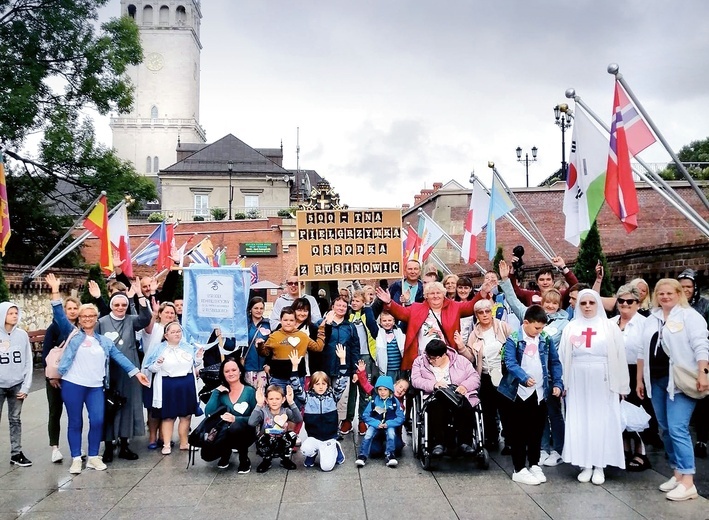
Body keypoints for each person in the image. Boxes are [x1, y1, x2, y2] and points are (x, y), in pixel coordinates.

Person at [48, 286, 149, 474]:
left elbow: (120, 357)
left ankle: (94, 456)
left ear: (96, 319)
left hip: (95, 387)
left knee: (97, 421)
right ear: (79, 318)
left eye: (91, 316)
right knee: (75, 422)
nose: (87, 319)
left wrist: (136, 372)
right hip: (73, 384)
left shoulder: (104, 341)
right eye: (84, 316)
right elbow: (60, 316)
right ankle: (76, 458)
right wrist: (55, 292)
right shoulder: (73, 334)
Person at [638, 278, 709, 501]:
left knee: (678, 427)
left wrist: (703, 373)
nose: (665, 297)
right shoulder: (652, 319)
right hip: (657, 380)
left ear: (679, 294)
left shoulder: (690, 317)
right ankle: (677, 473)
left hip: (680, 380)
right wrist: (640, 380)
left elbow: (701, 345)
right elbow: (642, 351)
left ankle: (688, 481)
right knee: (665, 428)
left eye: (670, 293)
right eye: (661, 294)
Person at [499, 259, 569, 465]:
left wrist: (558, 383)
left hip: (544, 382)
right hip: (523, 386)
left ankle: (556, 451)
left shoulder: (562, 325)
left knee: (551, 415)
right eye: (546, 303)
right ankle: (539, 451)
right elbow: (513, 300)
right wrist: (505, 280)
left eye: (554, 303)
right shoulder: (523, 325)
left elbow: (555, 361)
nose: (550, 306)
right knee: (530, 423)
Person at [559, 289, 629, 486]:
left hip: (603, 377)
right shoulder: (571, 328)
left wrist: (622, 385)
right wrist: (562, 382)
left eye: (591, 302)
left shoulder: (609, 327)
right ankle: (585, 464)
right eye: (583, 303)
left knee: (600, 420)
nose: (588, 306)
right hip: (577, 377)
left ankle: (599, 465)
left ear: (597, 303)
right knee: (580, 419)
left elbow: (619, 356)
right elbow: (563, 357)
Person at [497, 305, 563, 486]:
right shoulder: (514, 339)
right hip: (517, 393)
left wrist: (557, 382)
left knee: (536, 429)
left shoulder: (545, 339)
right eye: (536, 328)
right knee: (518, 431)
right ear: (526, 323)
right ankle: (519, 468)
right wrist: (524, 377)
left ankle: (534, 463)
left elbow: (554, 362)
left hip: (540, 392)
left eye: (541, 328)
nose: (539, 332)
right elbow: (510, 363)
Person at [96, 286, 152, 462]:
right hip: (109, 371)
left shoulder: (131, 320)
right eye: (117, 305)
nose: (120, 308)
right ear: (111, 305)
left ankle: (125, 444)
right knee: (109, 407)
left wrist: (140, 296)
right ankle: (107, 445)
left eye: (123, 305)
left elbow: (146, 318)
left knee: (127, 406)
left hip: (130, 371)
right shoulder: (101, 322)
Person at [375, 281, 483, 372]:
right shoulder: (416, 308)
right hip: (423, 356)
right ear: (426, 296)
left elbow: (471, 307)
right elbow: (401, 313)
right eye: (431, 293)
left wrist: (483, 292)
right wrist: (389, 302)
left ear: (443, 294)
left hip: (446, 356)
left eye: (438, 293)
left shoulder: (454, 306)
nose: (435, 296)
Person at [455, 298, 512, 453]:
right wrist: (461, 346)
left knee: (506, 408)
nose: (485, 315)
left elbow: (515, 344)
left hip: (503, 374)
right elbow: (471, 358)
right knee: (488, 409)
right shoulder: (474, 334)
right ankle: (491, 438)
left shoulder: (502, 326)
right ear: (476, 315)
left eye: (487, 311)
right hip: (486, 375)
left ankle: (510, 441)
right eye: (481, 312)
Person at [411, 339, 481, 457]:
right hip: (435, 395)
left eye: (434, 358)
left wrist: (465, 386)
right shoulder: (420, 362)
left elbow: (475, 377)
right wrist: (433, 385)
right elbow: (416, 380)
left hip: (458, 394)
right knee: (436, 407)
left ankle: (465, 443)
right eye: (429, 357)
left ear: (444, 355)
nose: (431, 361)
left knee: (466, 406)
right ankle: (438, 443)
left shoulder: (461, 361)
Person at [143, 321, 204, 454]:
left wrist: (199, 357)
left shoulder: (187, 347)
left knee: (186, 415)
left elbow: (194, 363)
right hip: (168, 385)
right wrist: (158, 364)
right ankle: (166, 444)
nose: (177, 334)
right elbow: (151, 367)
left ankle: (184, 442)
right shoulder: (159, 348)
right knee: (168, 417)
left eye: (178, 331)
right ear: (166, 335)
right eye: (173, 332)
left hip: (186, 383)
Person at [611, 284, 650, 471]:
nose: (625, 304)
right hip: (615, 371)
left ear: (637, 302)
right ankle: (625, 449)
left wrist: (639, 380)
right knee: (618, 412)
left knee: (635, 412)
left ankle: (641, 452)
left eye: (629, 301)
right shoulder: (610, 323)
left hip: (636, 372)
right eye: (621, 300)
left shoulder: (644, 323)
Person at [290, 345, 348, 471]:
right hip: (314, 437)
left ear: (327, 385)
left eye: (324, 384)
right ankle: (312, 453)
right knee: (305, 449)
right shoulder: (307, 398)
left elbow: (342, 381)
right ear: (312, 386)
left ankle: (335, 447)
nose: (321, 387)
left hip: (329, 437)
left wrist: (342, 360)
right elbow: (295, 386)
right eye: (317, 384)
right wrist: (295, 366)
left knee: (326, 468)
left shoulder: (333, 396)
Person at [42, 290, 81, 464]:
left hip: (75, 377)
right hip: (55, 377)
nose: (72, 311)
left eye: (75, 308)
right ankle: (55, 447)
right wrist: (52, 376)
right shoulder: (55, 327)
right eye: (69, 308)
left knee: (75, 413)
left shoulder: (82, 328)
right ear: (64, 311)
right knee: (55, 412)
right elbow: (46, 353)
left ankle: (77, 447)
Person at [203, 357, 257, 472]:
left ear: (240, 371)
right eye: (227, 371)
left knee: (235, 426)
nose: (231, 373)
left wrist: (236, 419)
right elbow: (208, 413)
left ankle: (244, 458)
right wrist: (216, 392)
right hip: (224, 431)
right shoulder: (221, 393)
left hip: (246, 431)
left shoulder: (249, 391)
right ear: (223, 374)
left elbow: (257, 417)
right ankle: (225, 454)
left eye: (234, 370)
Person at [677, 269, 709, 458]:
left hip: (701, 360)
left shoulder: (704, 305)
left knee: (703, 401)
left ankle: (702, 439)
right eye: (681, 287)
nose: (686, 290)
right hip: (680, 363)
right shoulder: (673, 307)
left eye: (688, 286)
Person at [259, 307, 326, 390]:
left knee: (297, 402)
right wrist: (260, 345)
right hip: (278, 378)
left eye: (291, 320)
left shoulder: (303, 336)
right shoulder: (274, 336)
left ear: (295, 321)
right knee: (277, 402)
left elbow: (318, 348)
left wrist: (321, 330)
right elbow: (264, 353)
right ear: (281, 320)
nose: (288, 323)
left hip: (298, 377)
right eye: (285, 320)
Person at [140, 301, 177, 449]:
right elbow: (147, 325)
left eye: (172, 313)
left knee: (167, 406)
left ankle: (164, 436)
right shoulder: (154, 328)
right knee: (152, 408)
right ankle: (152, 437)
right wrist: (153, 313)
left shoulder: (177, 330)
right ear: (160, 314)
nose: (169, 315)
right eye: (166, 312)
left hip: (170, 374)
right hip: (153, 373)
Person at [0, 302, 33, 467]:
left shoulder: (22, 335)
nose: (14, 315)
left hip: (17, 385)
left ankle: (16, 453)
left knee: (15, 419)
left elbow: (28, 361)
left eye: (15, 313)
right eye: (10, 313)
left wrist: (26, 386)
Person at [319, 298, 359, 434]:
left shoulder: (350, 327)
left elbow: (354, 349)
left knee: (342, 397)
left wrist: (354, 370)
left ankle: (338, 425)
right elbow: (319, 344)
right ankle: (325, 424)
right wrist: (327, 324)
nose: (341, 308)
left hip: (343, 367)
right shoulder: (324, 323)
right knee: (324, 395)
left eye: (344, 306)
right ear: (332, 306)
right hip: (326, 365)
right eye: (338, 305)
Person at [354, 360, 408, 458]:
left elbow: (400, 420)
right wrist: (362, 372)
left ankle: (390, 449)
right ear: (394, 385)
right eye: (400, 387)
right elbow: (365, 384)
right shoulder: (376, 396)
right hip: (377, 428)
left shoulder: (397, 403)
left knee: (397, 447)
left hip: (390, 428)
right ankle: (376, 445)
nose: (401, 390)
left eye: (404, 390)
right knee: (374, 452)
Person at [344, 290, 379, 435]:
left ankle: (363, 419)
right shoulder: (348, 314)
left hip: (366, 355)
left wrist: (369, 308)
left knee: (365, 389)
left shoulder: (367, 313)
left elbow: (374, 329)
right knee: (350, 390)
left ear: (364, 302)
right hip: (350, 355)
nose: (354, 303)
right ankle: (347, 419)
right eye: (353, 300)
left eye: (358, 300)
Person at [248, 384, 302, 472]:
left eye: (277, 399)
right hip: (268, 442)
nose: (274, 401)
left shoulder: (286, 411)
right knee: (264, 438)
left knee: (291, 435)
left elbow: (298, 419)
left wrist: (291, 402)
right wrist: (259, 404)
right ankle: (266, 460)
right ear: (267, 400)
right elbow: (251, 423)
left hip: (282, 442)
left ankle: (285, 459)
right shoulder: (263, 412)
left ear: (283, 399)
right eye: (271, 399)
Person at [509, 256, 578, 306]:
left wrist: (563, 266)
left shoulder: (560, 295)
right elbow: (513, 290)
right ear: (537, 282)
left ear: (553, 282)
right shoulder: (530, 295)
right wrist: (513, 269)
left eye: (548, 279)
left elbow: (575, 286)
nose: (545, 283)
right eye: (541, 280)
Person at [243, 297, 270, 388]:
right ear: (250, 309)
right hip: (248, 367)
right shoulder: (244, 324)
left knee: (261, 396)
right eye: (256, 308)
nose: (259, 311)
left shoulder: (268, 324)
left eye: (261, 308)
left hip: (263, 368)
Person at [374, 310, 405, 381]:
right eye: (384, 321)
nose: (387, 323)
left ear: (394, 322)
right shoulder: (378, 333)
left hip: (399, 368)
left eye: (389, 320)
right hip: (387, 369)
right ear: (380, 322)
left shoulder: (399, 331)